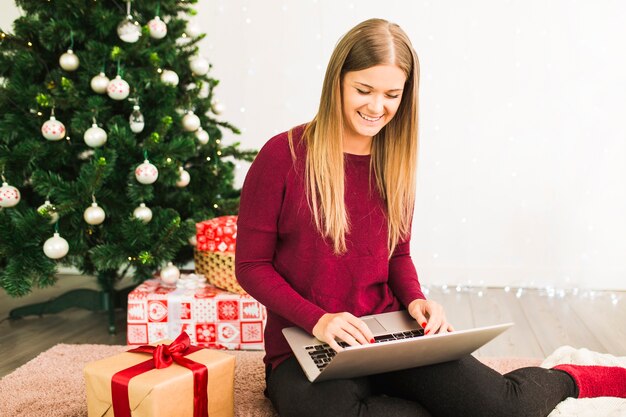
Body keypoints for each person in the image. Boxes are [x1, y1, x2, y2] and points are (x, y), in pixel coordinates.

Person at [235, 18, 626, 417]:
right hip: (306, 345)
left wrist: (417, 300)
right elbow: (251, 265)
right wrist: (318, 320)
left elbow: (397, 256)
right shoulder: (282, 156)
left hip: (389, 336)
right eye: (363, 90)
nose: (376, 107)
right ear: (337, 81)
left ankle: (570, 377)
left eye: (391, 94)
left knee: (505, 410)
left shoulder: (393, 162)